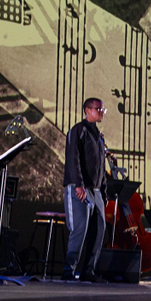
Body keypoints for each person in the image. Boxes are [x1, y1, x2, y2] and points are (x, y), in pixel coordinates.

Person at [63, 97, 109, 281]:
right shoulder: (78, 131)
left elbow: (101, 167)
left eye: (102, 110)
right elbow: (73, 158)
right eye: (98, 109)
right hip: (79, 186)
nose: (101, 112)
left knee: (99, 228)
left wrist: (103, 192)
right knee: (80, 227)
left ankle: (88, 270)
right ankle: (69, 269)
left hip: (96, 190)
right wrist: (79, 184)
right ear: (88, 110)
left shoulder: (99, 136)